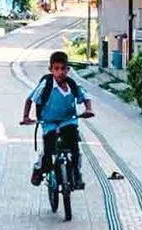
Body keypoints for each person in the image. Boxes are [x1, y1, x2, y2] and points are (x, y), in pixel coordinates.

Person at [21, 50, 94, 187]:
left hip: (68, 120)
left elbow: (85, 96)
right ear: (51, 69)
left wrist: (88, 109)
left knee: (74, 148)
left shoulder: (72, 84)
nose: (60, 72)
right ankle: (39, 169)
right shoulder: (46, 85)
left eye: (63, 69)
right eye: (56, 69)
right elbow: (30, 99)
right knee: (49, 150)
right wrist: (26, 117)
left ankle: (76, 174)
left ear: (68, 69)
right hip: (49, 122)